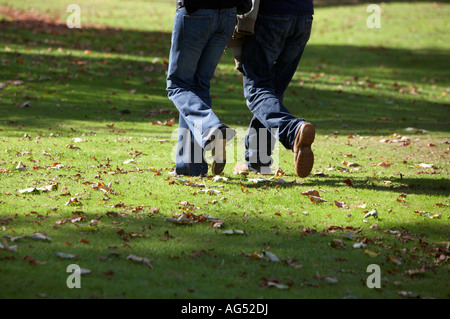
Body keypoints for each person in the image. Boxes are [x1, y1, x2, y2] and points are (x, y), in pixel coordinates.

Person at [166, 0, 252, 176]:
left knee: (178, 84)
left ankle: (211, 128)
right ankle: (190, 166)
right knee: (199, 85)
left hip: (197, 12)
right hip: (227, 14)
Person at [237, 0, 316, 178]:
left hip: (270, 13)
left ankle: (292, 130)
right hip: (303, 17)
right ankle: (258, 159)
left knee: (257, 89)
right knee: (272, 91)